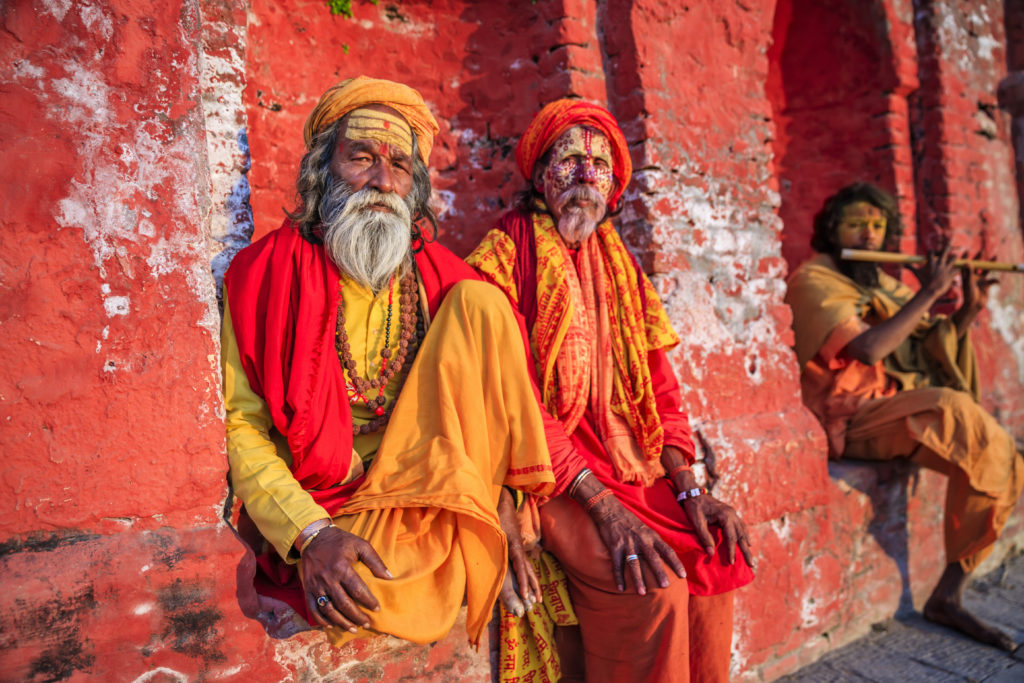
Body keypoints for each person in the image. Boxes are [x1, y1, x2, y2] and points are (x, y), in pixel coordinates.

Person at [221, 76, 561, 649]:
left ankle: (474, 522)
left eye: (400, 165)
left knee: (484, 303)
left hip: (427, 491)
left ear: (415, 186)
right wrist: (311, 535)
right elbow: (242, 425)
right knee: (374, 588)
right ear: (321, 169)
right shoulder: (263, 275)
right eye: (361, 157)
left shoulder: (440, 277)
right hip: (329, 501)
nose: (382, 180)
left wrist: (501, 500)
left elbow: (497, 398)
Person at [467, 99, 756, 683]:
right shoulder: (501, 257)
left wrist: (690, 487)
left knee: (712, 556)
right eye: (568, 159)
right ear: (540, 173)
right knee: (652, 587)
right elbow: (509, 397)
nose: (583, 176)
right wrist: (598, 502)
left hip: (631, 464)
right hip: (546, 471)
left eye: (599, 165)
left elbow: (661, 393)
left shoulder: (622, 268)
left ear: (615, 186)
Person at [785, 181, 1023, 651]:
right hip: (848, 419)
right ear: (833, 231)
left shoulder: (885, 283)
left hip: (893, 407)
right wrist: (931, 291)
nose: (869, 234)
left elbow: (924, 349)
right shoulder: (814, 280)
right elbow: (870, 348)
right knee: (956, 410)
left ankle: (948, 595)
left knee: (1003, 458)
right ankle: (946, 599)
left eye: (877, 226)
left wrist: (967, 311)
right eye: (856, 224)